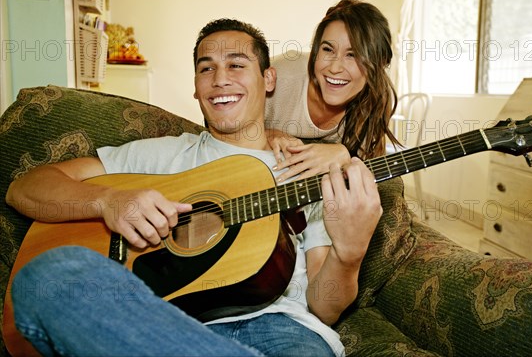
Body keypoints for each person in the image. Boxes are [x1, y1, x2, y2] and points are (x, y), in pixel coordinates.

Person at [5, 19, 382, 356]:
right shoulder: (163, 155)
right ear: (196, 88)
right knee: (46, 275)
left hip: (280, 330)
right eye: (207, 69)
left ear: (268, 79)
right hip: (156, 322)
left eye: (236, 64)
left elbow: (324, 307)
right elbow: (25, 188)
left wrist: (349, 254)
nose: (221, 79)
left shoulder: (307, 172)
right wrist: (109, 201)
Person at [266, 0, 400, 183]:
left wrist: (344, 154)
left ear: (380, 63)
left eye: (352, 55)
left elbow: (367, 169)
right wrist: (265, 133)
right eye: (328, 49)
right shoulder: (282, 75)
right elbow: (218, 124)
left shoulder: (374, 100)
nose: (335, 68)